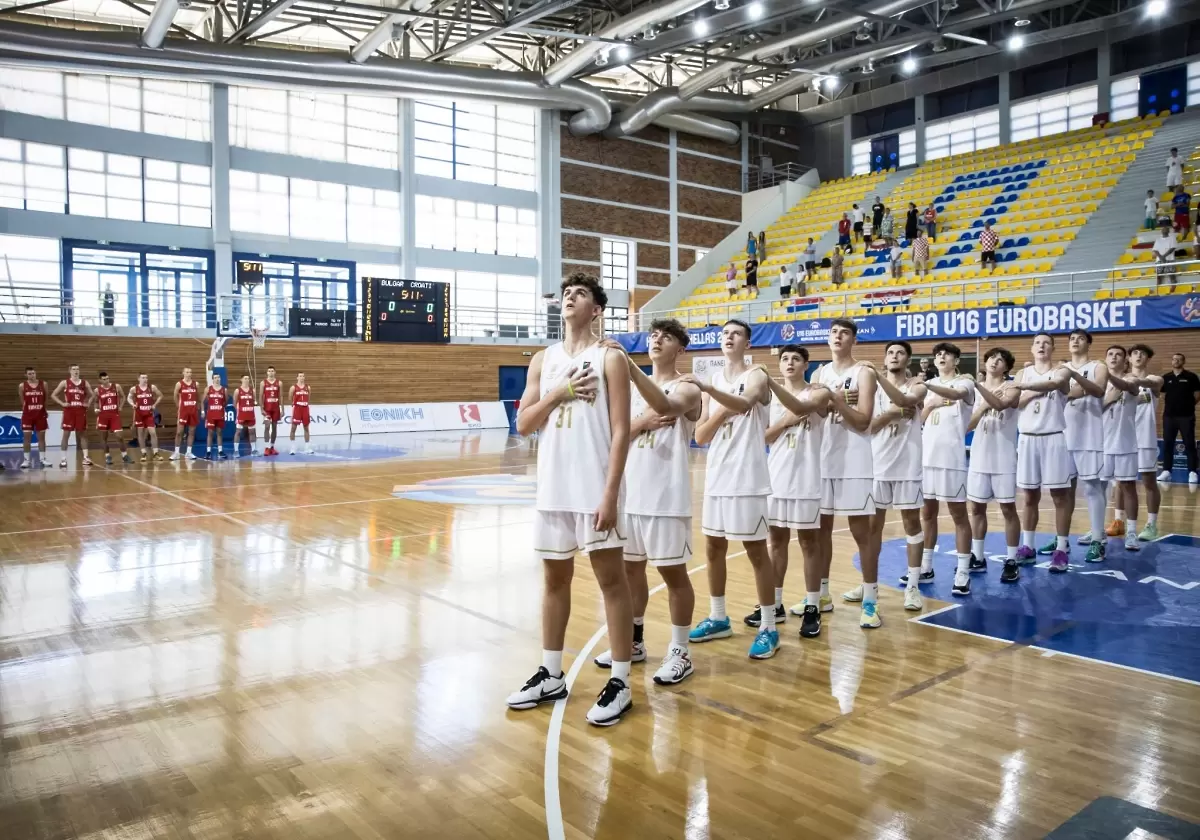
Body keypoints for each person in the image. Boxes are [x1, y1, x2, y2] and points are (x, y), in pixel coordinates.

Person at [505, 273, 634, 727]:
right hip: (553, 488)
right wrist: (559, 392)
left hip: (595, 487)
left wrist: (612, 491)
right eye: (565, 294)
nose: (569, 299)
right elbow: (523, 424)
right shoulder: (543, 359)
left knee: (611, 583)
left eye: (579, 294)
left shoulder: (610, 358)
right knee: (554, 581)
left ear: (596, 308)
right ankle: (551, 672)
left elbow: (622, 430)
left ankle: (621, 679)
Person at [593, 320, 701, 686]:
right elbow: (614, 430)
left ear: (680, 349)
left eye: (666, 337)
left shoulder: (688, 387)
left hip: (665, 498)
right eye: (653, 335)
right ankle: (635, 642)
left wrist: (631, 367)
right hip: (629, 494)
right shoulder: (631, 390)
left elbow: (666, 403)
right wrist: (642, 421)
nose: (657, 340)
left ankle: (680, 650)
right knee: (630, 573)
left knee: (673, 575)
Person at [683, 320, 781, 659]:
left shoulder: (756, 374)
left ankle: (769, 625)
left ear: (747, 343)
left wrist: (714, 399)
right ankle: (718, 616)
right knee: (713, 548)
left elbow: (747, 403)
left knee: (756, 552)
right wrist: (719, 405)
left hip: (748, 476)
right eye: (724, 333)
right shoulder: (714, 381)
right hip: (718, 475)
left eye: (735, 333)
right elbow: (700, 436)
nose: (728, 337)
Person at [761, 346, 831, 637]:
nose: (789, 363)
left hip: (806, 478)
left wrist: (774, 387)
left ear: (806, 365)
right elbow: (763, 436)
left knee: (808, 544)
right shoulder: (768, 400)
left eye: (795, 359)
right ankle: (775, 604)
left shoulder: (818, 391)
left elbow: (805, 408)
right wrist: (785, 421)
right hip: (775, 477)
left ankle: (813, 606)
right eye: (785, 359)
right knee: (776, 542)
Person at [815, 320, 881, 627]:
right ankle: (823, 595)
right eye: (833, 333)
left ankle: (870, 600)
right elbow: (814, 413)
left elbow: (863, 421)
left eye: (843, 333)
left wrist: (837, 402)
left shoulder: (864, 372)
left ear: (853, 339)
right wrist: (833, 406)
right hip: (823, 459)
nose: (837, 337)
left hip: (854, 461)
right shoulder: (819, 374)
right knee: (820, 532)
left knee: (861, 533)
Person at [1013, 333, 1089, 572]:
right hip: (1026, 439)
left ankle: (1061, 548)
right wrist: (1029, 390)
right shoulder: (1022, 373)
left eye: (1046, 343)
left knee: (1059, 496)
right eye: (1037, 342)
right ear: (1032, 348)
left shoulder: (1062, 370)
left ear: (1053, 348)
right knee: (1029, 496)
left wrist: (1026, 390)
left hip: (1053, 437)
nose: (1042, 346)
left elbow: (1055, 385)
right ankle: (1027, 546)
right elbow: (1015, 402)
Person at [869, 341, 926, 612]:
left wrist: (878, 375)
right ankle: (871, 585)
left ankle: (913, 585)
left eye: (900, 353)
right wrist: (889, 413)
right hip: (877, 465)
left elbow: (906, 401)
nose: (894, 356)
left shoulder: (918, 385)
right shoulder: (873, 390)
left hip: (907, 465)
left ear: (908, 358)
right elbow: (866, 427)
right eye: (890, 352)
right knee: (872, 529)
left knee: (911, 523)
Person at [919, 343, 980, 596]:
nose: (941, 356)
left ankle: (963, 571)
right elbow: (920, 420)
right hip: (926, 458)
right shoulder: (930, 387)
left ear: (956, 360)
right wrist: (931, 403)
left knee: (958, 516)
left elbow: (955, 396)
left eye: (946, 354)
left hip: (951, 459)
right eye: (937, 354)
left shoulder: (965, 382)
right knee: (927, 514)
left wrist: (927, 388)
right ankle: (926, 566)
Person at [968, 347, 1022, 584]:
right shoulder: (974, 393)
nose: (994, 362)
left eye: (1000, 360)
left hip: (1004, 457)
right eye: (991, 358)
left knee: (1008, 509)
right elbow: (967, 426)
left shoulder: (1012, 387)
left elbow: (1001, 405)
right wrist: (979, 404)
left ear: (1007, 367)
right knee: (977, 509)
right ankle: (978, 556)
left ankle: (1011, 560)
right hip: (979, 456)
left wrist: (979, 387)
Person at [1101, 345, 1148, 553]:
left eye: (1118, 354)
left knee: (1128, 487)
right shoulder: (1098, 384)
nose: (1114, 357)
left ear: (1125, 360)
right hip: (1101, 444)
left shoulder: (1131, 380)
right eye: (1110, 354)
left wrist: (1108, 379)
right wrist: (1106, 398)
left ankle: (1130, 531)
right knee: (1099, 489)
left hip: (1125, 443)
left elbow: (1126, 386)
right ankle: (1096, 529)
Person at [1129, 345, 1164, 540]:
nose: (1138, 355)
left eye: (1143, 353)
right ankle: (1119, 521)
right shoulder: (1122, 381)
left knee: (1149, 482)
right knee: (1122, 483)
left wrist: (1133, 381)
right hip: (1123, 438)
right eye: (1134, 353)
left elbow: (1156, 382)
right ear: (1130, 357)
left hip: (1146, 439)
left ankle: (1151, 524)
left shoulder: (1153, 381)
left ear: (1148, 359)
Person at [1158, 352, 1200, 484]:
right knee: (1168, 443)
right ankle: (1166, 471)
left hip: (1186, 416)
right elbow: (1163, 394)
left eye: (1179, 359)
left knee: (1189, 444)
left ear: (1183, 361)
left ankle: (1192, 472)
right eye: (1174, 359)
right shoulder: (1166, 377)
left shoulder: (1191, 377)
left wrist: (1187, 405)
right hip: (1169, 416)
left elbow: (1197, 394)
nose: (1176, 361)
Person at [50, 364, 94, 468]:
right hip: (69, 411)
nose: (76, 371)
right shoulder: (65, 382)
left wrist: (88, 403)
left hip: (80, 411)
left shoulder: (84, 382)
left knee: (83, 435)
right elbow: (53, 395)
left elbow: (92, 395)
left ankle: (86, 458)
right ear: (69, 371)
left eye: (78, 369)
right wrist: (62, 403)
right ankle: (63, 459)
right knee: (66, 435)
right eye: (74, 369)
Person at [94, 372, 130, 466]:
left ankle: (125, 455)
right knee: (103, 438)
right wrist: (96, 409)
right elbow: (95, 402)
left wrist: (121, 406)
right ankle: (107, 456)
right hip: (103, 416)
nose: (106, 380)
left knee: (119, 436)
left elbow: (123, 397)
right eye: (104, 379)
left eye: (108, 378)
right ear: (100, 380)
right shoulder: (97, 390)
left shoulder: (116, 386)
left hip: (114, 415)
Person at [128, 374, 164, 463]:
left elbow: (160, 395)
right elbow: (129, 398)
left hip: (149, 414)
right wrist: (132, 404)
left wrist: (154, 405)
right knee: (140, 434)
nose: (145, 379)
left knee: (153, 433)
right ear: (138, 379)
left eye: (146, 378)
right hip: (139, 414)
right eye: (143, 378)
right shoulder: (134, 389)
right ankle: (143, 453)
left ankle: (156, 453)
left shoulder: (152, 387)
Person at [18, 367, 49, 469]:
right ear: (26, 375)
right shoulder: (22, 386)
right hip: (28, 415)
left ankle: (43, 459)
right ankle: (26, 460)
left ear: (36, 374)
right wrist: (27, 410)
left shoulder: (43, 384)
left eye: (33, 373)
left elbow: (45, 398)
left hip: (40, 414)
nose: (32, 375)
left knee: (41, 438)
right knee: (27, 438)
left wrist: (43, 409)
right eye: (29, 374)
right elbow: (22, 401)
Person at [171, 367, 200, 462]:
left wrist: (198, 407)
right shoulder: (179, 384)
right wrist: (178, 406)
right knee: (179, 432)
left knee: (191, 432)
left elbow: (198, 396)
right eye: (187, 372)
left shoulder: (196, 384)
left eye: (190, 372)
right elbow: (175, 395)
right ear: (183, 373)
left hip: (193, 410)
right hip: (183, 411)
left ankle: (188, 452)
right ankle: (176, 452)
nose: (189, 373)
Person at [232, 375, 259, 457]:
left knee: (252, 432)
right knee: (238, 432)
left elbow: (254, 401)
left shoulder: (252, 390)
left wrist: (255, 402)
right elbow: (234, 403)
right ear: (241, 380)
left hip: (250, 413)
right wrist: (239, 411)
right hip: (241, 414)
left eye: (248, 378)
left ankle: (254, 450)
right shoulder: (237, 390)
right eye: (245, 378)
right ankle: (236, 451)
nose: (247, 380)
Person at [259, 366, 283, 456]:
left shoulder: (279, 383)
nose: (271, 372)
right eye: (269, 371)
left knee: (274, 427)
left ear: (275, 372)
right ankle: (266, 447)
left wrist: (282, 409)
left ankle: (272, 447)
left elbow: (281, 397)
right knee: (267, 426)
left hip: (276, 408)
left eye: (272, 371)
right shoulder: (263, 383)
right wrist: (261, 408)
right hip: (267, 409)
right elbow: (261, 395)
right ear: (267, 373)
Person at [288, 373, 314, 455]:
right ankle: (292, 448)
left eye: (303, 376)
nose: (302, 377)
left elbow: (309, 397)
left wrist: (305, 403)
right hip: (297, 408)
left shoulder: (308, 387)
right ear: (297, 377)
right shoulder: (293, 387)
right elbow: (290, 397)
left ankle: (307, 448)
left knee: (306, 428)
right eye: (300, 376)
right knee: (293, 428)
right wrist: (294, 404)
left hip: (305, 408)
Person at [204, 373, 227, 460]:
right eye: (215, 378)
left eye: (218, 377)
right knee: (210, 433)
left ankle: (220, 451)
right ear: (212, 379)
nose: (217, 379)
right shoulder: (208, 389)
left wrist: (221, 409)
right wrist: (203, 411)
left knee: (219, 432)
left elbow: (225, 402)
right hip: (211, 414)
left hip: (220, 414)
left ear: (220, 379)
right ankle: (208, 451)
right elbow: (203, 401)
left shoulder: (224, 390)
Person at [1152, 222, 1178, 293]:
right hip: (1159, 259)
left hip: (1169, 259)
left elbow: (1172, 248)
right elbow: (1155, 250)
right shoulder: (1158, 239)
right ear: (1161, 231)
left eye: (1166, 229)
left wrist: (1164, 256)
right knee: (1158, 274)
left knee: (1171, 273)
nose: (1164, 229)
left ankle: (1173, 285)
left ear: (1168, 231)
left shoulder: (1172, 238)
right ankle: (1158, 285)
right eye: (1163, 229)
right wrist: (1161, 257)